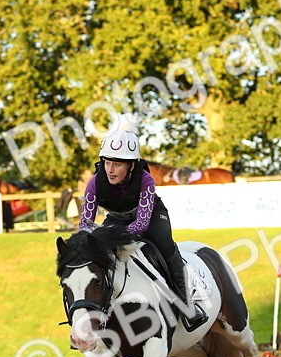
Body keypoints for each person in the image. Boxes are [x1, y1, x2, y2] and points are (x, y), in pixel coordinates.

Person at [77, 114, 207, 332]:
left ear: (131, 165)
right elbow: (85, 223)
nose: (110, 170)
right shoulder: (94, 183)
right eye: (107, 163)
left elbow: (141, 224)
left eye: (117, 164)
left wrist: (112, 237)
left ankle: (187, 305)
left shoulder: (145, 179)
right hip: (117, 219)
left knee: (166, 246)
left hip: (151, 217)